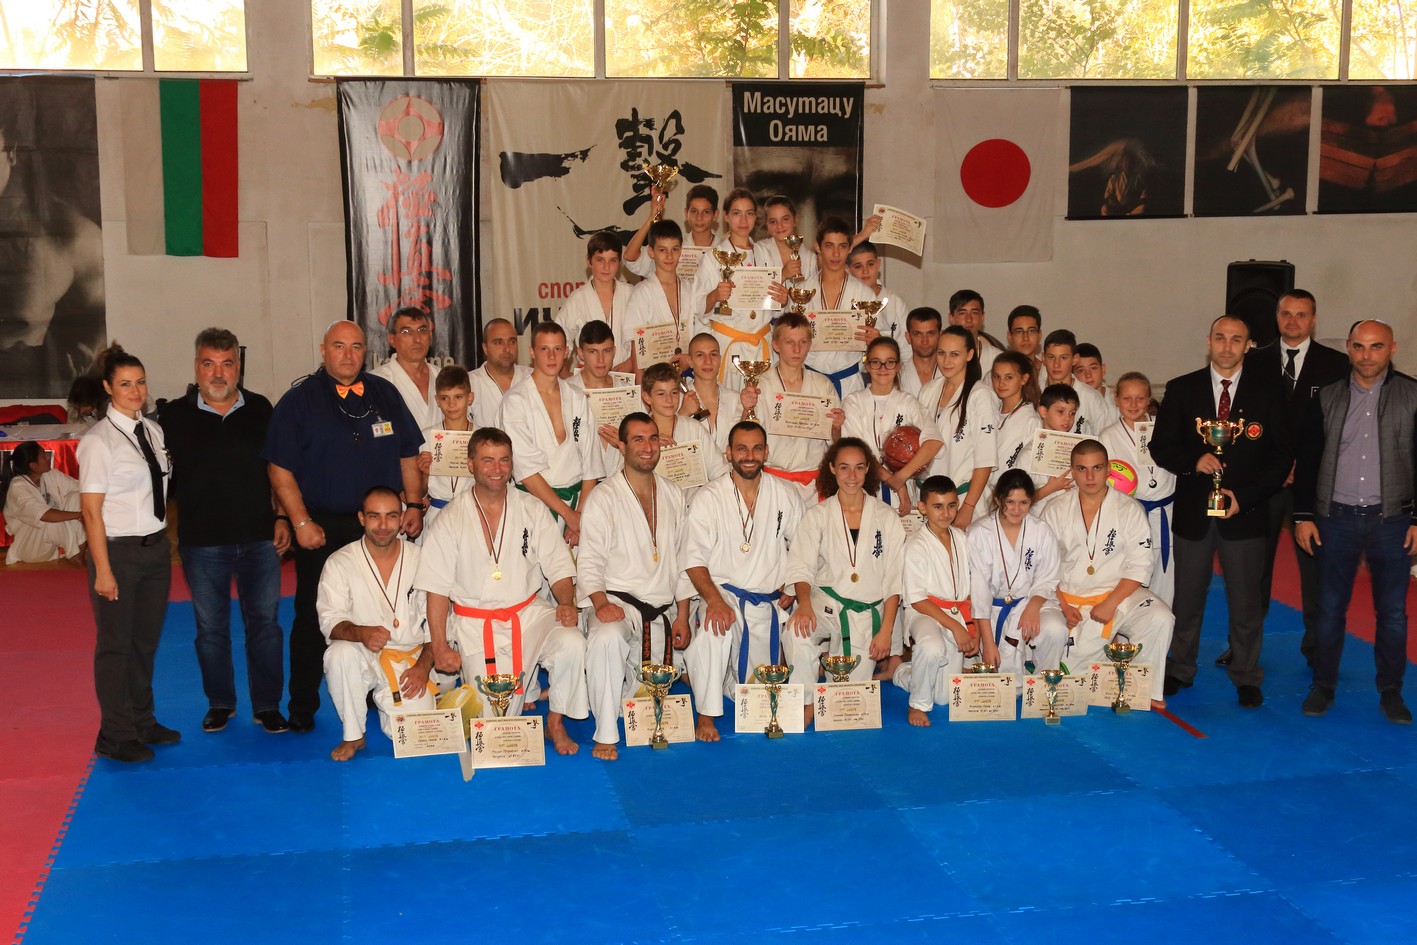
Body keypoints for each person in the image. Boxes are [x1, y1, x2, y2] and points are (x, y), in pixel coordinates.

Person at [263, 320, 426, 734]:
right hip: (322, 524)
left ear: (365, 351)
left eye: (356, 346)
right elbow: (279, 469)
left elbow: (409, 453)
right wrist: (299, 521)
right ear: (323, 350)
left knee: (384, 609)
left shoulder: (384, 393)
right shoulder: (299, 401)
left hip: (381, 524)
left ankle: (372, 689)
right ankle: (302, 703)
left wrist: (413, 504)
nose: (348, 354)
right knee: (312, 614)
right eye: (339, 346)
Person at [415, 428, 588, 755]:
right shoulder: (450, 518)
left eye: (504, 460)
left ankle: (555, 721)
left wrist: (566, 602)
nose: (497, 469)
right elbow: (435, 589)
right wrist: (439, 645)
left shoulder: (531, 507)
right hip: (475, 623)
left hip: (527, 614)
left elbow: (558, 566)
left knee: (572, 641)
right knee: (492, 723)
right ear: (470, 465)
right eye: (488, 460)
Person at [1151, 316, 1291, 708]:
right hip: (1193, 511)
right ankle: (1181, 667)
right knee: (1187, 599)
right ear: (1208, 341)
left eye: (1236, 339)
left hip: (1245, 513)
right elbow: (1161, 446)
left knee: (1246, 602)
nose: (1227, 346)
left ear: (1248, 345)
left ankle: (1246, 673)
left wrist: (1245, 498)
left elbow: (1282, 456)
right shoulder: (1182, 388)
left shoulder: (1268, 392)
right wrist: (1194, 461)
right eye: (1220, 338)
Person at [158, 328, 290, 735]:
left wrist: (283, 517)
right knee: (210, 631)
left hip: (259, 537)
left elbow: (279, 469)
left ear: (238, 367)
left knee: (265, 627)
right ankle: (220, 702)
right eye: (209, 364)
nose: (218, 373)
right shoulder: (172, 417)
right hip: (202, 542)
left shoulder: (261, 409)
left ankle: (267, 705)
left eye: (226, 364)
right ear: (196, 367)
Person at [1294, 319, 1417, 723]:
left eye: (1376, 346)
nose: (1367, 355)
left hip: (1392, 520)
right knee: (1329, 609)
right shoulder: (1327, 396)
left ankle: (1392, 690)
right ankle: (1323, 684)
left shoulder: (1412, 395)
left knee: (1393, 613)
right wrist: (1303, 515)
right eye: (1359, 346)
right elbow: (1307, 459)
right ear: (1348, 347)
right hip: (1335, 518)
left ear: (1392, 349)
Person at [78, 345, 178, 763]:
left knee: (145, 643)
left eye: (140, 382)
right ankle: (115, 735)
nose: (135, 391)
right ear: (108, 387)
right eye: (125, 384)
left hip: (155, 550)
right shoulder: (98, 442)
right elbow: (90, 511)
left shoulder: (152, 431)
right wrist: (103, 569)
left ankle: (142, 720)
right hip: (118, 552)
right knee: (116, 646)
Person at [1243, 289, 1349, 668]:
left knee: (1316, 569)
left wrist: (1302, 465)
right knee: (1253, 568)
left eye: (1301, 314)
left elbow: (1339, 427)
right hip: (1263, 481)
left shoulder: (1336, 364)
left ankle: (1318, 645)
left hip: (1315, 482)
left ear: (1313, 320)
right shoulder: (1253, 361)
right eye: (1286, 313)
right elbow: (1245, 421)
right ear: (1277, 317)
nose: (1293, 321)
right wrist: (1275, 467)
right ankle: (1244, 645)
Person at [680, 421, 803, 741]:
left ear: (766, 451)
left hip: (767, 601)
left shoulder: (785, 493)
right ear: (728, 453)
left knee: (753, 692)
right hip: (725, 595)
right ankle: (706, 715)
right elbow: (693, 559)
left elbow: (803, 548)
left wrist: (792, 586)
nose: (750, 456)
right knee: (714, 632)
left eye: (757, 448)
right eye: (742, 449)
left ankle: (712, 680)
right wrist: (713, 600)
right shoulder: (709, 497)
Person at [580, 413, 692, 760]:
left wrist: (683, 614)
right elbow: (589, 560)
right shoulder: (604, 496)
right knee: (606, 636)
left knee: (648, 694)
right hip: (619, 603)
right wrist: (600, 604)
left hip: (662, 609)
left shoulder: (674, 494)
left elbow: (684, 560)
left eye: (653, 439)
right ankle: (605, 735)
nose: (647, 447)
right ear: (622, 445)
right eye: (638, 440)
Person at [1041, 440, 1173, 709]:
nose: (1090, 476)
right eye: (1082, 469)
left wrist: (1111, 603)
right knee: (1070, 682)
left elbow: (1140, 565)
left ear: (1109, 469)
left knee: (1160, 617)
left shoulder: (1129, 509)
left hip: (1118, 596)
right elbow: (1044, 569)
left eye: (1097, 468)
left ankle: (1146, 689)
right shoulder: (1054, 510)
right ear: (1072, 471)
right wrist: (1063, 606)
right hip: (1071, 601)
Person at [785, 438, 906, 722]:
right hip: (825, 602)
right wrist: (803, 605)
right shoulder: (818, 514)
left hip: (865, 611)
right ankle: (805, 700)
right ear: (832, 469)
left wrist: (886, 630)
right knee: (795, 632)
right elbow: (801, 565)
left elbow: (894, 580)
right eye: (844, 468)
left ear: (868, 470)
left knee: (845, 703)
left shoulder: (886, 517)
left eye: (859, 468)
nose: (852, 476)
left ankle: (828, 691)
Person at [318, 486, 434, 761]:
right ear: (361, 518)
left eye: (391, 516)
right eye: (374, 516)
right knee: (338, 654)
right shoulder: (340, 562)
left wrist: (423, 666)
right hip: (361, 653)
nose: (383, 525)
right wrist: (361, 633)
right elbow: (330, 621)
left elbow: (437, 621)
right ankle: (353, 735)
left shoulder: (421, 559)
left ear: (402, 517)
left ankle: (415, 703)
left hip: (407, 658)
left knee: (414, 737)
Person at [0, 107, 105, 397]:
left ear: (12, 151)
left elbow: (101, 309)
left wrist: (86, 353)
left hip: (25, 393)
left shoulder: (71, 234)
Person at [498, 321, 603, 544]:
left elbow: (591, 461)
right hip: (534, 506)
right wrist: (568, 515)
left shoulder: (576, 396)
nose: (552, 356)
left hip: (578, 504)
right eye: (544, 349)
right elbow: (526, 471)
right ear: (532, 352)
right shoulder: (515, 401)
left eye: (557, 349)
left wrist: (580, 515)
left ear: (566, 352)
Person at [893, 475, 983, 725]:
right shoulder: (915, 545)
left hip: (957, 612)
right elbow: (917, 600)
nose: (946, 513)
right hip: (924, 613)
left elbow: (971, 591)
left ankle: (906, 672)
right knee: (932, 647)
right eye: (938, 506)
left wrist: (972, 627)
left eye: (951, 505)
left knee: (943, 697)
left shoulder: (962, 539)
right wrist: (956, 628)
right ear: (922, 508)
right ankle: (916, 704)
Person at [967, 470, 1068, 679]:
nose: (1016, 509)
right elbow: (979, 591)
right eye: (1010, 502)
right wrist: (988, 643)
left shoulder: (1041, 530)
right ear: (998, 499)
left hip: (1033, 600)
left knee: (1056, 629)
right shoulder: (979, 533)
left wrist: (1033, 606)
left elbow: (1048, 577)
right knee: (1001, 677)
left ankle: (1044, 686)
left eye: (1023, 503)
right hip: (991, 611)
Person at [747, 312, 845, 506]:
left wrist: (836, 427)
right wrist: (746, 408)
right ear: (776, 345)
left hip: (813, 483)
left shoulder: (823, 385)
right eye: (789, 342)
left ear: (810, 344)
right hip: (774, 480)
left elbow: (836, 442)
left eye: (802, 342)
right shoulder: (761, 384)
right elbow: (750, 434)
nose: (797, 349)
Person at [841, 336, 942, 514]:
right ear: (867, 366)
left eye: (889, 362)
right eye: (876, 362)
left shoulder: (908, 402)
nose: (883, 368)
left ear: (898, 366)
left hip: (903, 492)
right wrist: (894, 482)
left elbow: (934, 441)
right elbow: (859, 453)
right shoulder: (853, 402)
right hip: (862, 487)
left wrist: (901, 477)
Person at [1099, 372, 1176, 606]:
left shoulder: (1164, 428)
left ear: (1149, 399)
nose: (1133, 404)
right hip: (1131, 514)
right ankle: (1133, 626)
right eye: (1127, 398)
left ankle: (1163, 622)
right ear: (1116, 398)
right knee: (1133, 573)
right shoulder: (1108, 436)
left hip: (1167, 512)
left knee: (1166, 576)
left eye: (1140, 398)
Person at [694, 188, 782, 388]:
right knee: (731, 404)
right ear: (725, 216)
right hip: (729, 343)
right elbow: (698, 307)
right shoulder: (713, 257)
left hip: (761, 342)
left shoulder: (766, 253)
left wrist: (781, 299)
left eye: (749, 213)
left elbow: (775, 307)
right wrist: (716, 295)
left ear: (755, 217)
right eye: (736, 213)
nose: (743, 220)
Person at [921, 326, 996, 529]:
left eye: (954, 354)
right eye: (941, 353)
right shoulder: (929, 390)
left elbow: (985, 458)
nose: (946, 361)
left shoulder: (980, 395)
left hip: (963, 498)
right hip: (929, 498)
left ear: (970, 355)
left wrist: (968, 507)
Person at [797, 216, 877, 397]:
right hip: (810, 380)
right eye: (829, 246)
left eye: (842, 246)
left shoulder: (865, 294)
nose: (835, 254)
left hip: (849, 383)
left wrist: (874, 339)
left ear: (850, 248)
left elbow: (877, 344)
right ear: (818, 247)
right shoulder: (802, 292)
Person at [640, 362, 727, 498]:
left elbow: (720, 472)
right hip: (655, 503)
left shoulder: (693, 428)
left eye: (674, 393)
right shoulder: (639, 434)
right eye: (661, 394)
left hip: (693, 504)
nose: (669, 400)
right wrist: (649, 448)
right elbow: (631, 479)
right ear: (647, 397)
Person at [621, 219, 693, 374]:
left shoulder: (690, 289)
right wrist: (641, 387)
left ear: (681, 251)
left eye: (674, 249)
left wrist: (689, 359)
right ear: (651, 252)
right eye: (662, 250)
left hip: (688, 372)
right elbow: (637, 346)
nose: (669, 256)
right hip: (654, 376)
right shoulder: (642, 293)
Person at [557, 231, 633, 367]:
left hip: (625, 373)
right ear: (589, 261)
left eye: (613, 260)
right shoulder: (577, 299)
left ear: (619, 262)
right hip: (589, 375)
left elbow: (644, 338)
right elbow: (559, 340)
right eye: (600, 260)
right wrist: (565, 374)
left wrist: (631, 363)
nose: (606, 267)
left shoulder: (631, 293)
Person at [566, 319, 629, 480]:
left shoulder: (628, 392)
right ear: (580, 353)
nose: (601, 360)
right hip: (579, 483)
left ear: (614, 351)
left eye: (606, 351)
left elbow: (641, 442)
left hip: (621, 481)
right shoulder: (566, 391)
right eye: (593, 352)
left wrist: (625, 444)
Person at [3, 440, 84, 564]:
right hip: (31, 548)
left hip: (52, 543)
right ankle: (76, 554)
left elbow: (82, 489)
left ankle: (80, 550)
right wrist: (80, 515)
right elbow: (44, 515)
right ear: (33, 466)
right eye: (43, 456)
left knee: (78, 497)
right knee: (49, 517)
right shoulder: (17, 487)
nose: (47, 457)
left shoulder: (52, 475)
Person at [417, 365, 475, 533]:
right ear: (437, 400)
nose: (451, 404)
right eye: (444, 398)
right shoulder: (426, 436)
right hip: (437, 514)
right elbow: (420, 491)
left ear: (470, 398)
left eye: (458, 397)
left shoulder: (482, 437)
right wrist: (424, 473)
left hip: (472, 514)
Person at [371, 307, 439, 428]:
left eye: (422, 330)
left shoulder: (443, 377)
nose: (417, 339)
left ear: (430, 336)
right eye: (407, 332)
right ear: (392, 340)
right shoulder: (376, 382)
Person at [677, 332, 742, 452]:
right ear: (690, 361)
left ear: (720, 360)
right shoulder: (677, 400)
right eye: (700, 355)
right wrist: (683, 413)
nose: (708, 361)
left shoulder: (737, 400)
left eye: (713, 354)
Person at [988, 351, 1042, 489]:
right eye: (996, 377)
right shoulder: (989, 410)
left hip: (1009, 492)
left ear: (1024, 379)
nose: (1001, 383)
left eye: (1009, 377)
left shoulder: (1032, 420)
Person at [1040, 329, 1108, 434]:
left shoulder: (1091, 398)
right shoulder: (1034, 393)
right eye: (1051, 357)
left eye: (1063, 358)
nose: (1056, 364)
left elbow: (1104, 439)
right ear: (1043, 358)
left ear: (1075, 359)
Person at [1029, 384, 1083, 515]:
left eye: (1072, 413)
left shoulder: (1079, 451)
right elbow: (1017, 499)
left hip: (1072, 517)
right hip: (1039, 519)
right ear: (1043, 412)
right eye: (1060, 411)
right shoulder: (1030, 452)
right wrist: (1050, 488)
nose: (1067, 418)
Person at [847, 241, 912, 349]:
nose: (865, 271)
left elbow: (906, 349)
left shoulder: (895, 302)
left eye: (870, 264)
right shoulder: (844, 300)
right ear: (849, 269)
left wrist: (880, 341)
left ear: (878, 264)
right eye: (858, 266)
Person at [469, 318, 530, 431]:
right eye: (498, 342)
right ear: (485, 348)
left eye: (512, 342)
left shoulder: (532, 378)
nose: (507, 349)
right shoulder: (469, 383)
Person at [753, 195, 818, 283]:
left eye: (785, 219)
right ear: (767, 224)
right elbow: (754, 288)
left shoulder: (810, 258)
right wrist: (783, 275)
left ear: (795, 220)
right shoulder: (759, 250)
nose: (779, 226)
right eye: (773, 221)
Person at [948, 290, 1005, 377]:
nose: (969, 319)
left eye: (974, 313)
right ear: (951, 318)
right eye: (962, 313)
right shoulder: (940, 358)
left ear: (982, 317)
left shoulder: (997, 358)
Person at [898, 307, 945, 397]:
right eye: (917, 334)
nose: (924, 341)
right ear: (908, 337)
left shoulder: (953, 374)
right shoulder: (897, 376)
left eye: (931, 334)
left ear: (941, 335)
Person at [1073, 343, 1120, 430]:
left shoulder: (1118, 398)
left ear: (1103, 369)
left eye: (1093, 368)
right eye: (1080, 371)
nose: (1088, 375)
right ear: (1073, 375)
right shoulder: (1071, 402)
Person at [1007, 305, 1044, 375]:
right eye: (1019, 332)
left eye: (1031, 331)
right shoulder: (998, 374)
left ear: (1039, 335)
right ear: (1010, 336)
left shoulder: (1049, 372)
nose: (1026, 338)